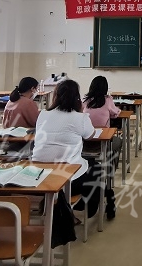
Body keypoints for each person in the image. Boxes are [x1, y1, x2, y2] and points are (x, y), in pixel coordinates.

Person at [32, 79, 103, 218]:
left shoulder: (43, 114)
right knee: (97, 169)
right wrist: (81, 113)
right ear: (77, 98)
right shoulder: (80, 117)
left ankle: (69, 205)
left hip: (39, 174)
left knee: (87, 163)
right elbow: (90, 135)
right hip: (65, 178)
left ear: (55, 96)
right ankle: (88, 209)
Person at [82, 75, 122, 173]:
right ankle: (110, 172)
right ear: (105, 88)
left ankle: (89, 166)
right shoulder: (107, 99)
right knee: (118, 142)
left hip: (85, 141)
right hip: (102, 141)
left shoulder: (86, 100)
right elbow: (115, 113)